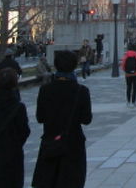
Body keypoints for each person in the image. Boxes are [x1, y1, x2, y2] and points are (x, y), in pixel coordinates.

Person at [32, 51, 92, 188]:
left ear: (56, 66)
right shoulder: (81, 91)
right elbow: (86, 119)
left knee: (49, 180)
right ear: (74, 66)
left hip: (50, 140)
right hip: (73, 143)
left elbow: (40, 118)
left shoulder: (45, 90)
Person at [121, 44, 136, 108]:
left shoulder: (125, 56)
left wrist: (126, 71)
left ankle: (128, 101)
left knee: (128, 87)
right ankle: (134, 102)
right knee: (135, 88)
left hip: (128, 74)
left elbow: (123, 65)